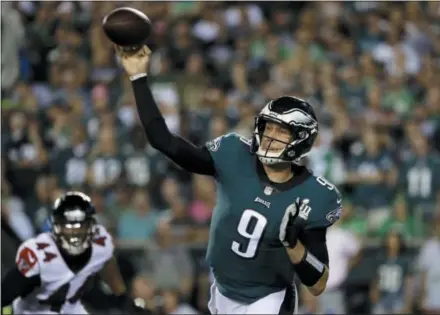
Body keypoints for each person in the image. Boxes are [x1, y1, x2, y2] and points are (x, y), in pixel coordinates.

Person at [118, 46, 342, 314]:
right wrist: (138, 77)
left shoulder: (314, 194)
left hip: (268, 299)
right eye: (268, 127)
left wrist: (292, 244)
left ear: (300, 141)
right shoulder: (235, 154)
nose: (270, 136)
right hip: (222, 291)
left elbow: (318, 283)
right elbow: (163, 141)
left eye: (280, 131)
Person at [1, 191, 148, 314]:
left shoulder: (99, 250)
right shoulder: (38, 256)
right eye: (69, 225)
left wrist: (126, 302)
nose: (75, 232)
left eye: (81, 225)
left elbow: (106, 285)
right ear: (57, 226)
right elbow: (5, 295)